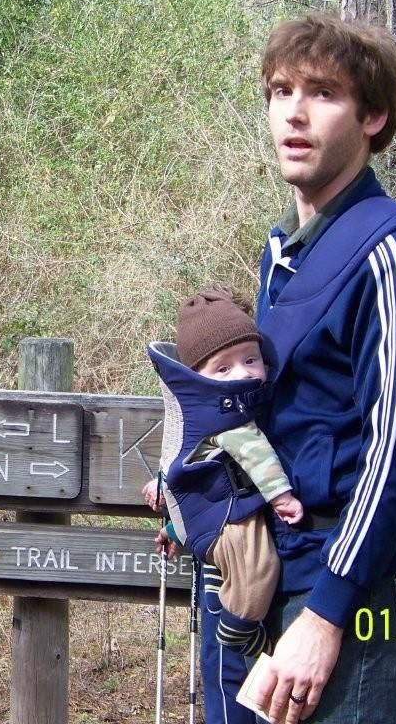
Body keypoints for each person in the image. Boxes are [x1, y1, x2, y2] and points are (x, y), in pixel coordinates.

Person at [243, 13, 396, 724]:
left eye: (323, 92)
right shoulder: (284, 250)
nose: (294, 112)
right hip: (280, 571)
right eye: (280, 91)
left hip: (360, 592)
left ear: (374, 116)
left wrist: (330, 612)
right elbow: (285, 421)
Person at [141, 287, 303, 723]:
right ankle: (243, 630)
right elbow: (255, 458)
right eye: (224, 368)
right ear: (201, 376)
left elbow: (194, 475)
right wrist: (282, 496)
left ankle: (243, 635)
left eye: (252, 360)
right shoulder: (228, 416)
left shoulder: (205, 410)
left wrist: (175, 525)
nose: (244, 374)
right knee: (257, 572)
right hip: (229, 534)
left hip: (215, 534)